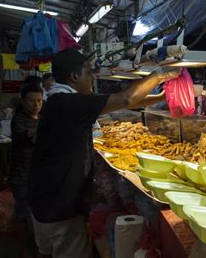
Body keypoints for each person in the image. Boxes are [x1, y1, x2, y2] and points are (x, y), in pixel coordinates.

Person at [29, 49, 179, 258]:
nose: (93, 78)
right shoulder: (68, 103)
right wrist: (161, 73)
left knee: (48, 252)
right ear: (74, 76)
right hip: (59, 207)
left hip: (45, 200)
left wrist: (161, 96)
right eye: (89, 73)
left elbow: (126, 101)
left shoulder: (61, 99)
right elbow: (126, 99)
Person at [9, 83, 44, 258]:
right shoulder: (18, 120)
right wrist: (45, 127)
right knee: (22, 212)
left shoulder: (43, 117)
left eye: (39, 100)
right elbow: (25, 137)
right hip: (21, 174)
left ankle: (39, 245)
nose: (36, 104)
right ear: (23, 101)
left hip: (39, 174)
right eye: (32, 101)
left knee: (39, 211)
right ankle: (23, 250)